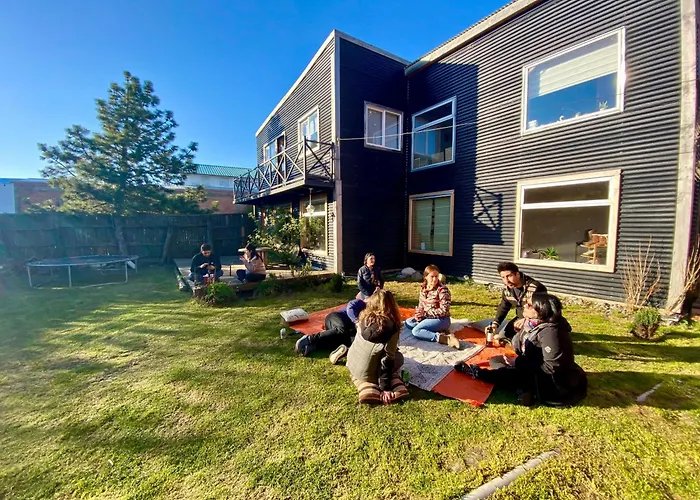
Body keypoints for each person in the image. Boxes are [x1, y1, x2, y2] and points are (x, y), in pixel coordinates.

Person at [456, 293, 588, 407]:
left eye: (529, 305)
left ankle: (478, 373)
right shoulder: (532, 324)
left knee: (508, 374)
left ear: (541, 310)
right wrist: (518, 333)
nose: (524, 306)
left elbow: (551, 367)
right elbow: (521, 350)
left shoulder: (551, 332)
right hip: (533, 364)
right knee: (496, 360)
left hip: (551, 383)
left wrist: (518, 363)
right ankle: (523, 388)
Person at [347, 289, 408, 404]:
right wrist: (385, 388)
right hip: (367, 374)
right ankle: (378, 380)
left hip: (352, 363)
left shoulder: (363, 318)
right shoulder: (391, 328)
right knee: (399, 357)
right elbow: (387, 361)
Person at [477, 262, 547, 344]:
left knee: (522, 342)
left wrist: (527, 320)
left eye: (509, 276)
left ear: (517, 274)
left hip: (536, 321)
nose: (506, 281)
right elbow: (504, 307)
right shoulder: (507, 289)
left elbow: (544, 311)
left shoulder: (536, 288)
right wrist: (495, 324)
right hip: (519, 318)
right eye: (503, 277)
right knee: (502, 337)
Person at [404, 265, 460, 349]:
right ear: (426, 277)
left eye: (436, 276)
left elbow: (444, 310)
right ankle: (436, 329)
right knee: (408, 323)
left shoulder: (442, 290)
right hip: (426, 317)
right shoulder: (423, 288)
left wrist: (425, 314)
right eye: (432, 277)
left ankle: (446, 339)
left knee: (416, 331)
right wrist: (418, 315)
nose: (434, 279)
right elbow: (421, 305)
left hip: (441, 319)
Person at [294, 299, 366, 363]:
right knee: (342, 330)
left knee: (350, 340)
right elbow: (351, 306)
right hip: (336, 318)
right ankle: (310, 338)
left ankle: (314, 346)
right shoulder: (364, 304)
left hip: (346, 330)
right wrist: (356, 321)